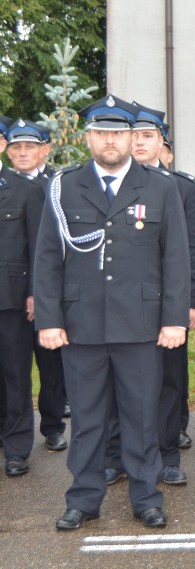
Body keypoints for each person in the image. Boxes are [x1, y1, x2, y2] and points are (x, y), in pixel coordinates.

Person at [36, 94, 190, 530]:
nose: (110, 140)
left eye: (119, 132)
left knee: (142, 416)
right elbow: (47, 259)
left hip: (140, 326)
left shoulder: (161, 187)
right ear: (88, 137)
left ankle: (146, 497)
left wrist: (174, 318)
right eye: (102, 132)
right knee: (86, 418)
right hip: (81, 326)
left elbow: (175, 258)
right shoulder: (65, 186)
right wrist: (49, 320)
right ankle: (83, 499)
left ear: (131, 137)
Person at [129, 102, 195, 484]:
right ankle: (118, 456)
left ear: (162, 144)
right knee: (119, 384)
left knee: (169, 381)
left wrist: (193, 303)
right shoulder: (112, 185)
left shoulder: (182, 187)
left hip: (167, 305)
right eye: (135, 135)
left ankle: (167, 455)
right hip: (124, 305)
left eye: (148, 136)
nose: (140, 142)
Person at [4, 119, 68, 454]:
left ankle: (54, 425)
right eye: (17, 147)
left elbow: (47, 247)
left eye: (30, 146)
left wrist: (38, 293)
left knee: (51, 363)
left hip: (44, 292)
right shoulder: (6, 187)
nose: (23, 152)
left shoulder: (56, 184)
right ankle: (14, 439)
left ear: (44, 149)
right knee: (13, 368)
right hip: (10, 296)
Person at [0, 117, 42, 477]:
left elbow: (38, 248)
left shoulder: (23, 189)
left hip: (10, 298)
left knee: (14, 375)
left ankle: (16, 448)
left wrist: (34, 294)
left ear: (2, 146)